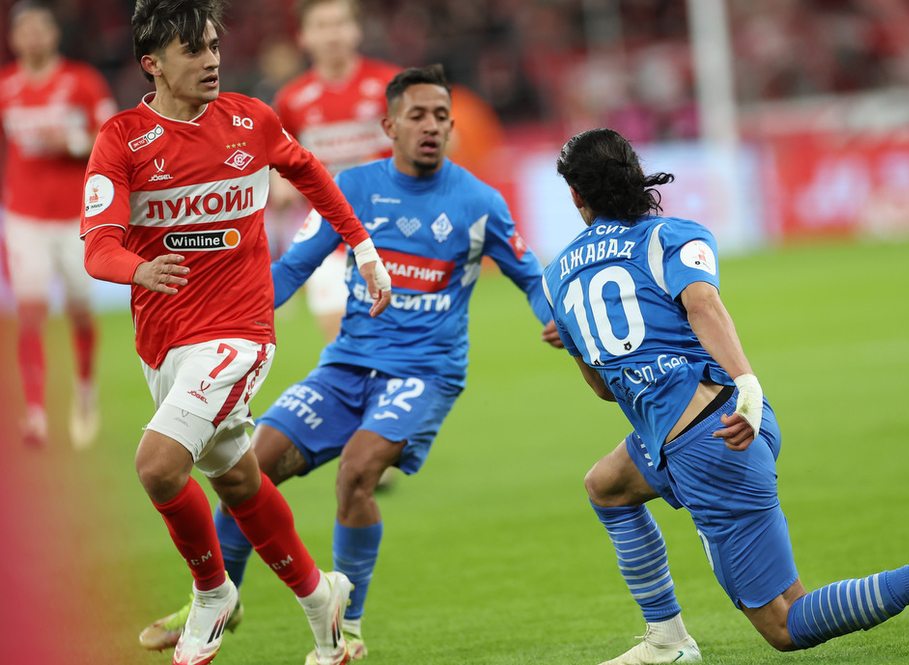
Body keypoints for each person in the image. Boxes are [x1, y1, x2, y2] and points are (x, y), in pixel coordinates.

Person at [542, 128, 909, 665]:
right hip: (725, 418)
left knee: (785, 625)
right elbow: (701, 303)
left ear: (576, 195)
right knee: (607, 486)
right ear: (636, 175)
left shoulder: (556, 280)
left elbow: (602, 388)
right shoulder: (671, 236)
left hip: (712, 447)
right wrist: (748, 386)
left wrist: (587, 342)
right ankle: (666, 641)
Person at [141, 64, 561, 663]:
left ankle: (350, 626)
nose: (431, 126)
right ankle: (217, 599)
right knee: (246, 470)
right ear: (389, 125)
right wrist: (226, 316)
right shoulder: (353, 190)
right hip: (345, 368)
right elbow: (293, 266)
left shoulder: (479, 202)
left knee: (357, 474)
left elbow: (531, 276)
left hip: (423, 373)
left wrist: (555, 317)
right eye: (417, 115)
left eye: (441, 117)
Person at [80, 1, 393, 664]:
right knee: (240, 482)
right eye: (193, 50)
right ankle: (322, 602)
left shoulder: (251, 119)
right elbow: (99, 249)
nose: (211, 60)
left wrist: (362, 246)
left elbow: (309, 172)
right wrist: (140, 269)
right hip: (165, 340)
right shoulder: (123, 139)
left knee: (158, 466)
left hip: (240, 331)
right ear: (152, 63)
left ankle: (213, 590)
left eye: (214, 46)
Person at [0, 0, 116, 449]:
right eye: (24, 29)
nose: (33, 36)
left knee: (80, 312)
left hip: (76, 218)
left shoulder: (82, 81)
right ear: (13, 39)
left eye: (40, 28)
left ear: (54, 34)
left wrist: (71, 142)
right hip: (24, 217)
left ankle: (85, 392)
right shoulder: (6, 87)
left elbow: (111, 139)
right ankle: (35, 413)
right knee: (29, 314)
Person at [272, 0, 402, 341]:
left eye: (340, 23)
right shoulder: (291, 100)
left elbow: (436, 145)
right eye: (321, 25)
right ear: (303, 36)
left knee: (401, 349)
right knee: (343, 347)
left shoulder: (393, 85)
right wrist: (279, 183)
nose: (332, 34)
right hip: (328, 236)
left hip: (394, 232)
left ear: (356, 30)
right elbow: (276, 157)